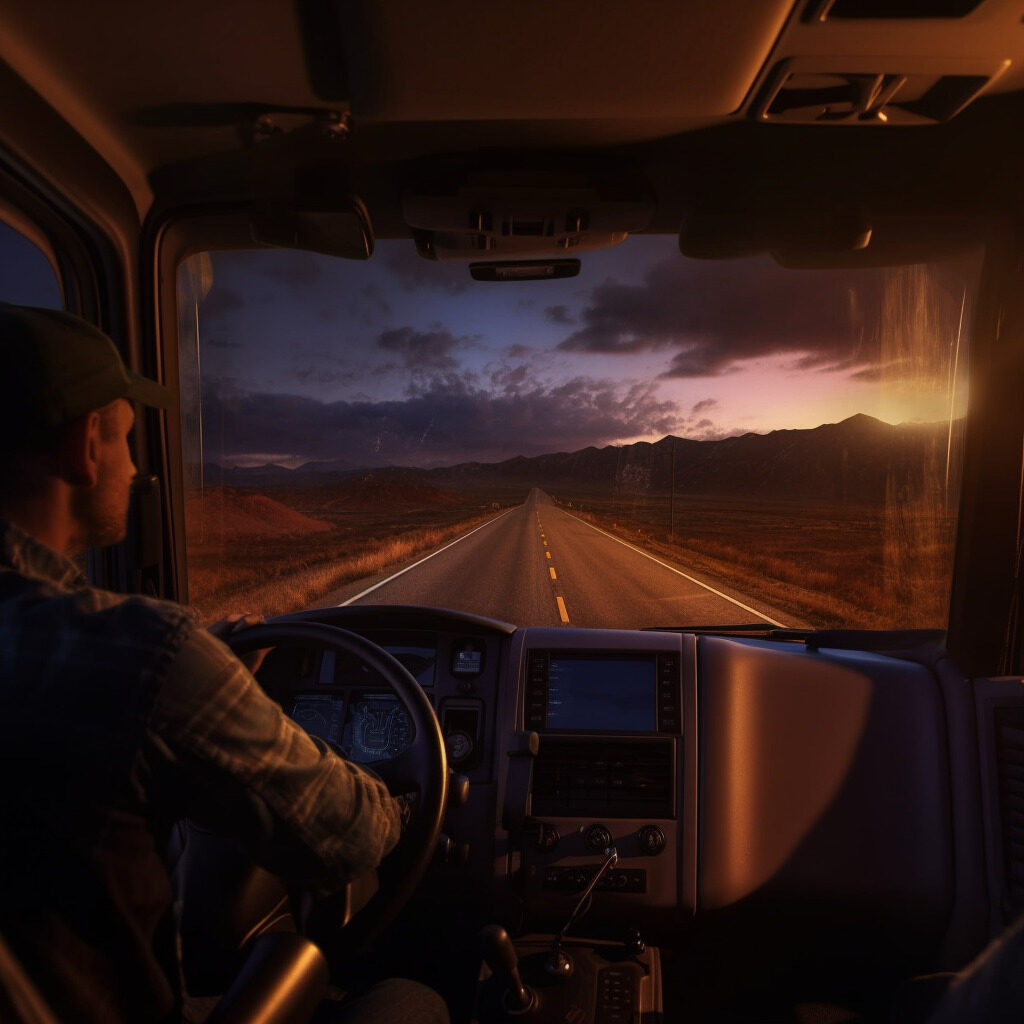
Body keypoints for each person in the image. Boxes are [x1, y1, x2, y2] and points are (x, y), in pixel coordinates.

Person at [0, 303, 449, 1024]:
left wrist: (203, 666)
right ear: (86, 447)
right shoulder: (151, 658)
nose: (138, 466)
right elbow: (349, 838)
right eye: (126, 440)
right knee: (412, 1000)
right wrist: (409, 799)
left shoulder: (136, 659)